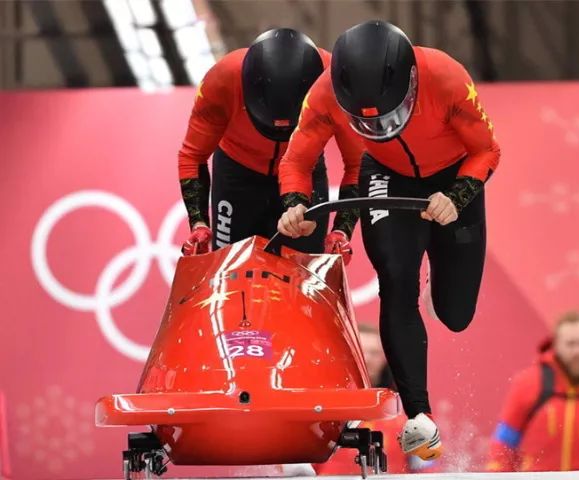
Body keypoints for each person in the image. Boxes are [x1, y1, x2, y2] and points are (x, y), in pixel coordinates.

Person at [277, 20, 500, 460]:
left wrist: (458, 197)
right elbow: (297, 159)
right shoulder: (321, 96)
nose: (379, 125)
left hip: (454, 175)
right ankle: (419, 416)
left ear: (412, 84)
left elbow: (487, 150)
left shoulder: (447, 77)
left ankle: (443, 269)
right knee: (396, 280)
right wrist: (295, 203)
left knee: (456, 314)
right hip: (384, 174)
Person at [177, 28, 353, 258]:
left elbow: (358, 163)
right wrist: (198, 223)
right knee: (230, 267)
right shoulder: (222, 79)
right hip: (237, 177)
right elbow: (193, 155)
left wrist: (342, 230)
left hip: (304, 173)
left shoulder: (334, 83)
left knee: (304, 276)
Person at [487, 311, 579, 472]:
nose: (578, 351)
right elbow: (504, 442)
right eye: (571, 344)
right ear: (556, 345)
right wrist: (497, 473)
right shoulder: (527, 384)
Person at [315, 323, 433, 475]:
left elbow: (425, 470)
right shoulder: (320, 408)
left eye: (374, 352)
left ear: (386, 359)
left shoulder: (408, 411)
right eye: (361, 352)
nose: (367, 359)